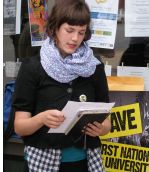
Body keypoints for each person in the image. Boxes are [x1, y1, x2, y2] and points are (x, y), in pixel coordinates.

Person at [12, 0, 111, 172]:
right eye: (69, 30)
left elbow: (107, 122)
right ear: (54, 28)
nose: (75, 38)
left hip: (85, 162)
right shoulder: (33, 67)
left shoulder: (94, 67)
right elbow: (19, 126)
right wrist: (41, 119)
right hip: (41, 161)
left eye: (81, 32)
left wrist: (101, 129)